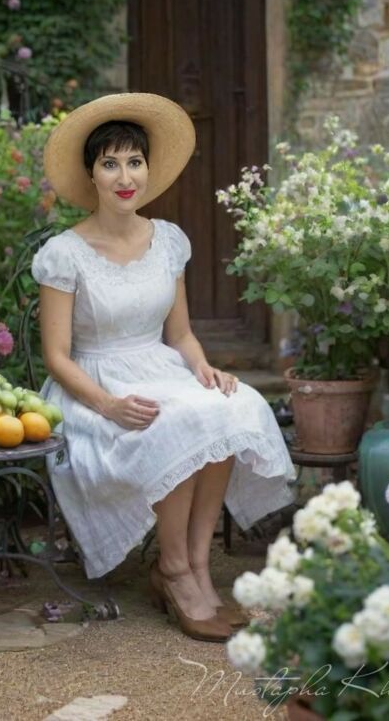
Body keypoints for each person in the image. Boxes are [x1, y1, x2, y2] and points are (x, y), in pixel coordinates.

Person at [32, 92, 295, 643]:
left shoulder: (168, 241)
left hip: (162, 367)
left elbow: (180, 334)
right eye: (110, 164)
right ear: (91, 174)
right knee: (175, 422)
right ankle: (173, 569)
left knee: (233, 405)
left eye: (135, 161)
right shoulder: (65, 253)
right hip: (94, 384)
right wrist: (108, 405)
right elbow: (55, 356)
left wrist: (204, 368)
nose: (125, 176)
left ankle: (195, 563)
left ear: (149, 170)